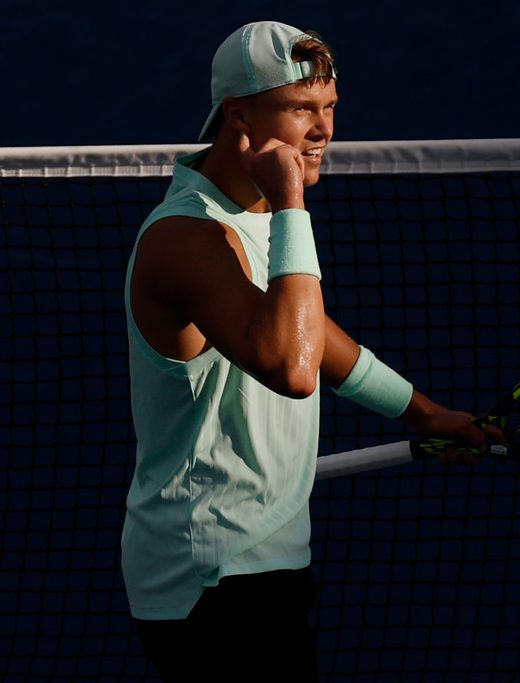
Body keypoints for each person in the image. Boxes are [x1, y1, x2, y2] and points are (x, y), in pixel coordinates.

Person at [122, 21, 493, 682]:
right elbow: (292, 367)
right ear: (239, 114)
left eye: (328, 109)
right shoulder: (187, 237)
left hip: (260, 565)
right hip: (210, 575)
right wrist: (293, 201)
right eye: (300, 109)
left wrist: (424, 412)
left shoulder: (250, 221)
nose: (323, 130)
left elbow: (310, 331)